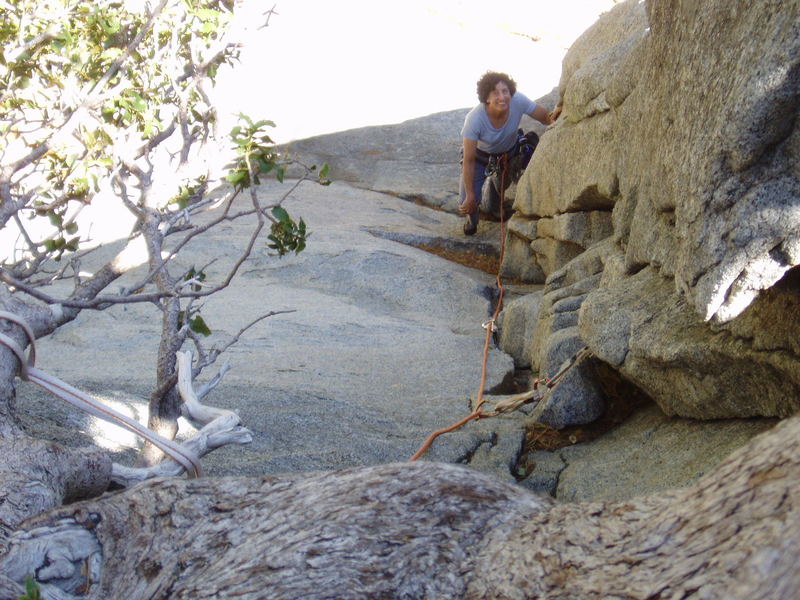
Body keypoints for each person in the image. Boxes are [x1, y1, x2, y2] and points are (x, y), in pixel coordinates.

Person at [459, 71, 560, 235]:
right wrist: (470, 195)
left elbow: (544, 117)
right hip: (479, 157)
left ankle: (494, 205)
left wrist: (556, 116)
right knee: (467, 201)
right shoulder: (474, 119)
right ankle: (472, 221)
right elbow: (469, 160)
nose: (502, 97)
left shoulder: (517, 100)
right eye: (495, 93)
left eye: (505, 91)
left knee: (502, 184)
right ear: (487, 98)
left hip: (507, 154)